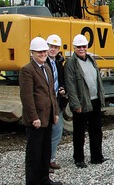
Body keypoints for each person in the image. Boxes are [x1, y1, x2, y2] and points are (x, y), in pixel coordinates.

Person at [19, 37, 63, 185]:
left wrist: (55, 112)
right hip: (36, 118)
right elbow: (27, 97)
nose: (43, 54)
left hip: (48, 116)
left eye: (44, 51)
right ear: (32, 53)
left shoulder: (46, 67)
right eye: (40, 52)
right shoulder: (27, 70)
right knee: (34, 152)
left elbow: (52, 93)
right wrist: (33, 117)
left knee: (45, 150)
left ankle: (44, 178)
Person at [65, 34, 108, 169]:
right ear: (74, 48)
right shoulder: (71, 63)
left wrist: (101, 97)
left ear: (87, 47)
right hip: (82, 102)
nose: (81, 49)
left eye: (83, 46)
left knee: (96, 130)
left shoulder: (91, 60)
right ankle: (79, 158)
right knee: (79, 132)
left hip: (94, 100)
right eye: (79, 47)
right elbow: (70, 85)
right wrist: (75, 104)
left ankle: (97, 157)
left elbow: (97, 80)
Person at [45, 34, 66, 172]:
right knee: (47, 133)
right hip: (46, 103)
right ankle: (45, 162)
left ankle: (50, 159)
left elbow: (60, 79)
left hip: (56, 101)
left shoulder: (57, 63)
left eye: (55, 47)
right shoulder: (43, 63)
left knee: (57, 130)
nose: (52, 49)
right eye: (50, 46)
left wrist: (62, 89)